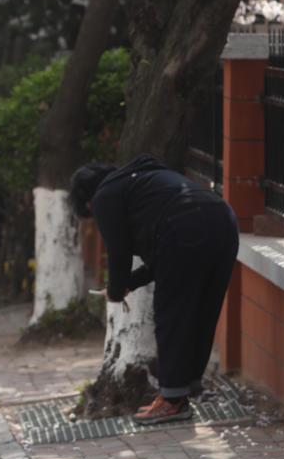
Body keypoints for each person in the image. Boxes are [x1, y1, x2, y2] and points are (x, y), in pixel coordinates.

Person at [69, 154, 239, 426]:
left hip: (184, 229)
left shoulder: (105, 196)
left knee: (171, 315)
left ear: (86, 199)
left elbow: (118, 252)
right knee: (201, 311)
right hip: (223, 219)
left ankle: (172, 400)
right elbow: (163, 259)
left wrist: (114, 290)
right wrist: (127, 284)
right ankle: (190, 384)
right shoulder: (142, 183)